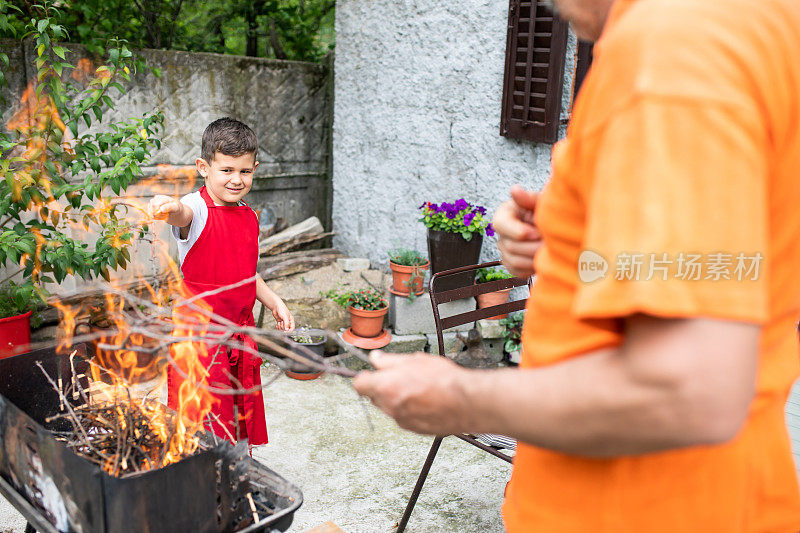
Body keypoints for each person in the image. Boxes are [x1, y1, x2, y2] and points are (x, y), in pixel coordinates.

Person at [353, 0, 800, 530]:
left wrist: (460, 397)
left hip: (641, 506)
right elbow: (730, 264)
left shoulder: (672, 51)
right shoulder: (751, 20)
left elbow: (692, 393)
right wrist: (576, 247)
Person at [148, 117, 295, 446]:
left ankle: (237, 471)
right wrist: (170, 206)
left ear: (254, 168)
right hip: (201, 336)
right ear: (204, 166)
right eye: (226, 170)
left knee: (237, 412)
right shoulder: (196, 209)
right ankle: (203, 479)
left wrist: (273, 301)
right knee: (203, 416)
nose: (236, 179)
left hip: (239, 335)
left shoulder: (248, 214)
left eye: (245, 171)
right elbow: (180, 214)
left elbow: (245, 273)